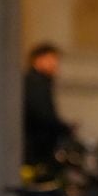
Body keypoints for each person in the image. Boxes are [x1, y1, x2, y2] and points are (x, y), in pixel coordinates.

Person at [22, 42, 73, 177]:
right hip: (36, 149)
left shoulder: (39, 82)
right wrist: (63, 128)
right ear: (38, 59)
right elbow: (42, 114)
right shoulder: (35, 82)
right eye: (51, 59)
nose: (55, 64)